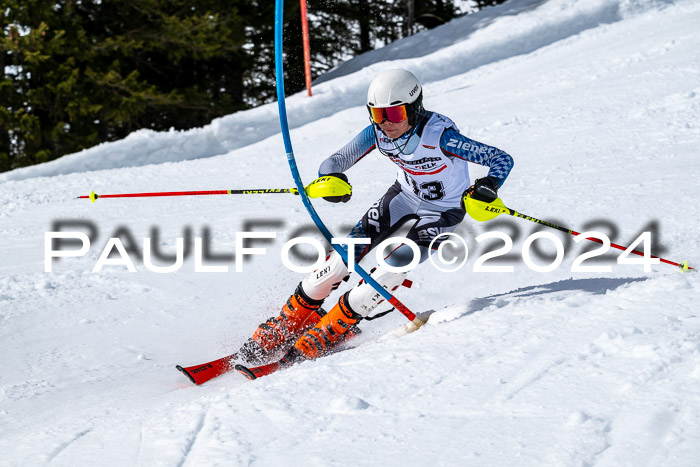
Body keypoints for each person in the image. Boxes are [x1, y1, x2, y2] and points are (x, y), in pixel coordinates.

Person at [238, 68, 514, 367]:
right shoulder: (377, 133)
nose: (385, 123)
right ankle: (286, 323)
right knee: (343, 257)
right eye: (377, 114)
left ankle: (334, 325)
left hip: (443, 210)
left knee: (395, 265)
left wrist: (488, 185)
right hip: (402, 197)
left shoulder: (441, 136)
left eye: (394, 114)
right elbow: (335, 160)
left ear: (414, 107)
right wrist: (331, 179)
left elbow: (500, 158)